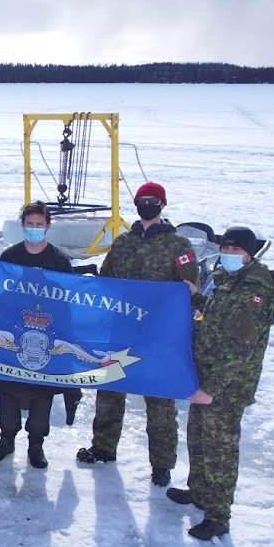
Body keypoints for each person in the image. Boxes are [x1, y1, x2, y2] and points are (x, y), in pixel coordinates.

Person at [77, 182, 200, 487]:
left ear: (162, 204)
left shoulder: (178, 245)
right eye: (143, 200)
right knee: (109, 391)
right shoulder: (123, 243)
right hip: (121, 331)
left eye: (153, 200)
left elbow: (189, 288)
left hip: (159, 335)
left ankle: (161, 464)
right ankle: (104, 446)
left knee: (159, 401)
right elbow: (106, 281)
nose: (148, 204)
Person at [170, 227, 274, 540]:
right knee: (197, 437)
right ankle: (199, 492)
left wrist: (211, 389)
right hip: (206, 378)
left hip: (226, 387)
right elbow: (214, 318)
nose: (230, 255)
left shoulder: (254, 291)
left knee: (220, 449)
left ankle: (218, 515)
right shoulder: (228, 280)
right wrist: (196, 297)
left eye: (237, 251)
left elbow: (239, 349)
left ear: (249, 254)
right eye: (227, 249)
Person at [0, 203, 74, 469]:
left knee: (41, 393)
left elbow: (69, 300)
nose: (34, 229)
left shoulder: (59, 261)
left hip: (46, 335)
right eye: (29, 224)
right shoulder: (10, 256)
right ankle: (6, 439)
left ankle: (36, 445)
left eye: (39, 224)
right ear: (22, 225)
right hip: (15, 334)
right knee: (8, 390)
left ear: (47, 226)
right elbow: (0, 295)